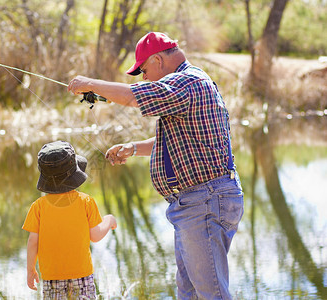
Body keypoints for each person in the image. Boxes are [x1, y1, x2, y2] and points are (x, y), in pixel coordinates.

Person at [68, 32, 244, 299]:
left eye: (144, 70)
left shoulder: (185, 82)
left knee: (211, 294)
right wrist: (134, 147)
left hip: (202, 202)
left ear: (158, 60)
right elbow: (182, 140)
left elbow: (133, 96)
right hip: (197, 202)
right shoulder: (191, 82)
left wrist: (88, 83)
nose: (144, 77)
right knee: (190, 293)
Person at [22, 141, 117, 299]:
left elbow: (33, 241)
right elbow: (95, 235)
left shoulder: (38, 207)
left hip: (51, 278)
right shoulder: (85, 201)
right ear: (75, 173)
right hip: (82, 275)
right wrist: (109, 220)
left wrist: (30, 270)